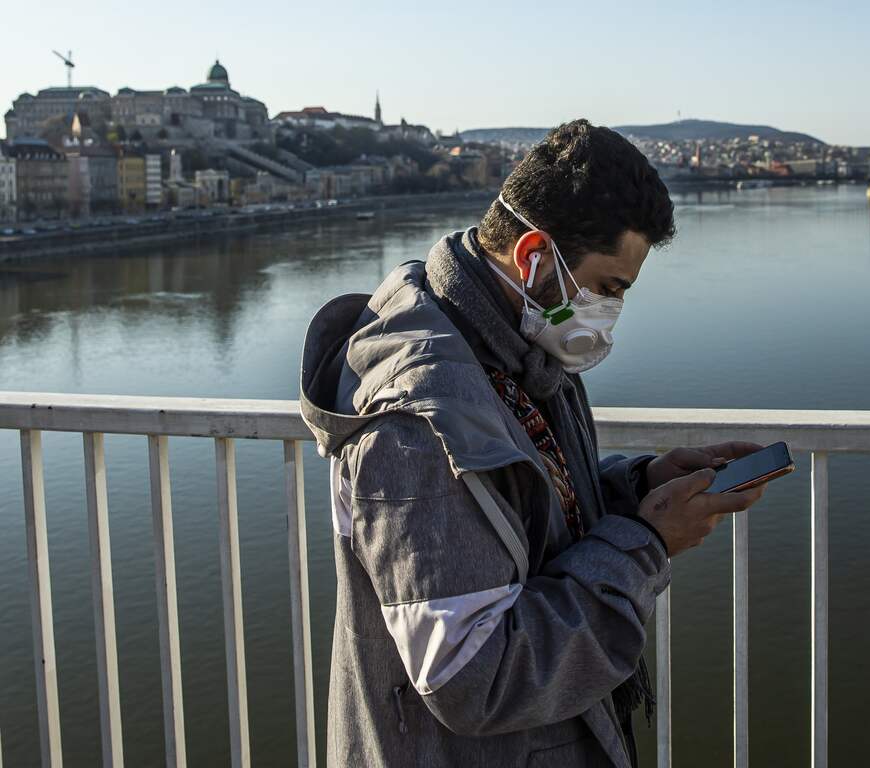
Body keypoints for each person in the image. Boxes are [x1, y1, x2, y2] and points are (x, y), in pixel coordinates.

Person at [299, 119, 767, 768]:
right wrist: (647, 544)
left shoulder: (508, 345)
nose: (611, 313)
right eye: (608, 288)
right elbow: (472, 678)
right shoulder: (418, 424)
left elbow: (522, 516)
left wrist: (638, 488)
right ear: (534, 257)